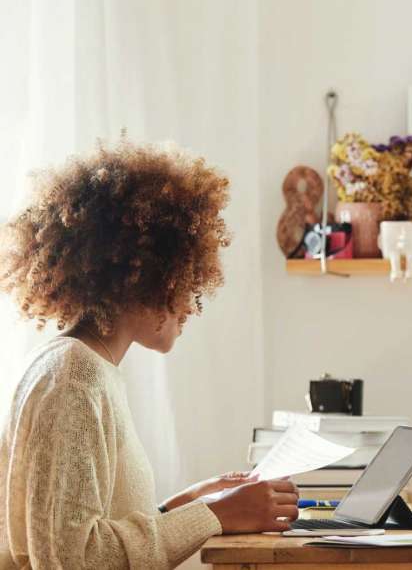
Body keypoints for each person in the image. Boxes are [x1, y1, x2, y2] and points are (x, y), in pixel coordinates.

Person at [0, 139, 300, 569]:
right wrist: (214, 515)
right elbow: (73, 559)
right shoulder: (72, 377)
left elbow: (90, 533)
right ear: (143, 278)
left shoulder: (87, 367)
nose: (192, 301)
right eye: (186, 279)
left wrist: (189, 504)